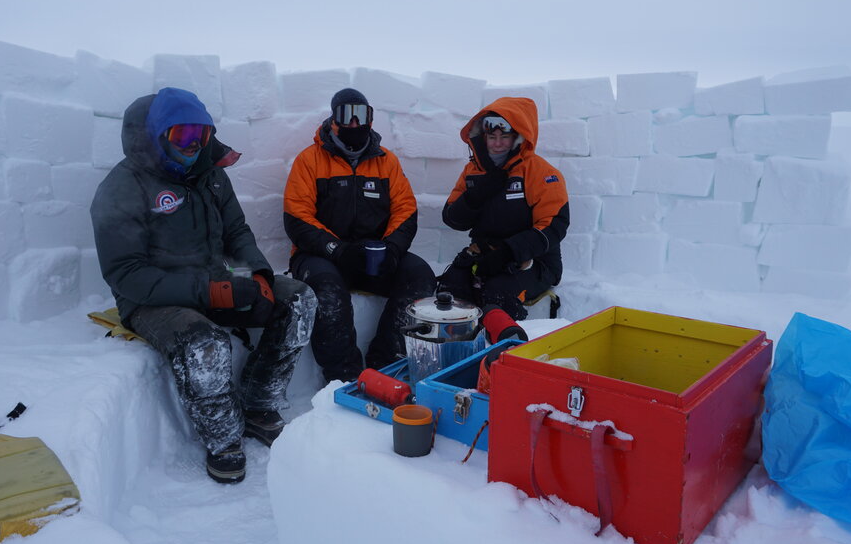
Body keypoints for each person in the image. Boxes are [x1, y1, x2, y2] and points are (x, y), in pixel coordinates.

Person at [90, 87, 317, 485]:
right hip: (151, 299)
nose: (194, 145)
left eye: (202, 134)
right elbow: (126, 274)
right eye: (182, 135)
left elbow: (236, 233)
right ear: (158, 135)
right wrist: (212, 290)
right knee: (204, 343)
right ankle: (223, 438)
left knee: (298, 300)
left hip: (213, 280)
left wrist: (257, 275)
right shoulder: (123, 187)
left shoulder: (211, 175)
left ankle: (259, 402)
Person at [283, 88, 437, 382]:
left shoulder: (386, 161)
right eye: (346, 115)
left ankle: (386, 365)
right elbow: (297, 218)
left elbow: (405, 210)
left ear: (370, 118)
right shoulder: (310, 160)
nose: (354, 123)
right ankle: (344, 377)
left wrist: (392, 249)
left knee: (419, 275)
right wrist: (337, 250)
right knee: (327, 290)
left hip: (372, 255)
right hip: (321, 255)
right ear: (334, 120)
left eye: (361, 115)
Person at [440, 96, 569, 325]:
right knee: (450, 287)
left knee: (497, 292)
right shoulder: (473, 171)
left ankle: (508, 343)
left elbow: (554, 224)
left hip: (535, 260)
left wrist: (509, 252)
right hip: (485, 253)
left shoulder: (540, 172)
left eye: (504, 137)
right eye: (492, 137)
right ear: (483, 138)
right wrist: (475, 196)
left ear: (518, 137)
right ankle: (456, 343)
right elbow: (452, 219)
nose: (497, 144)